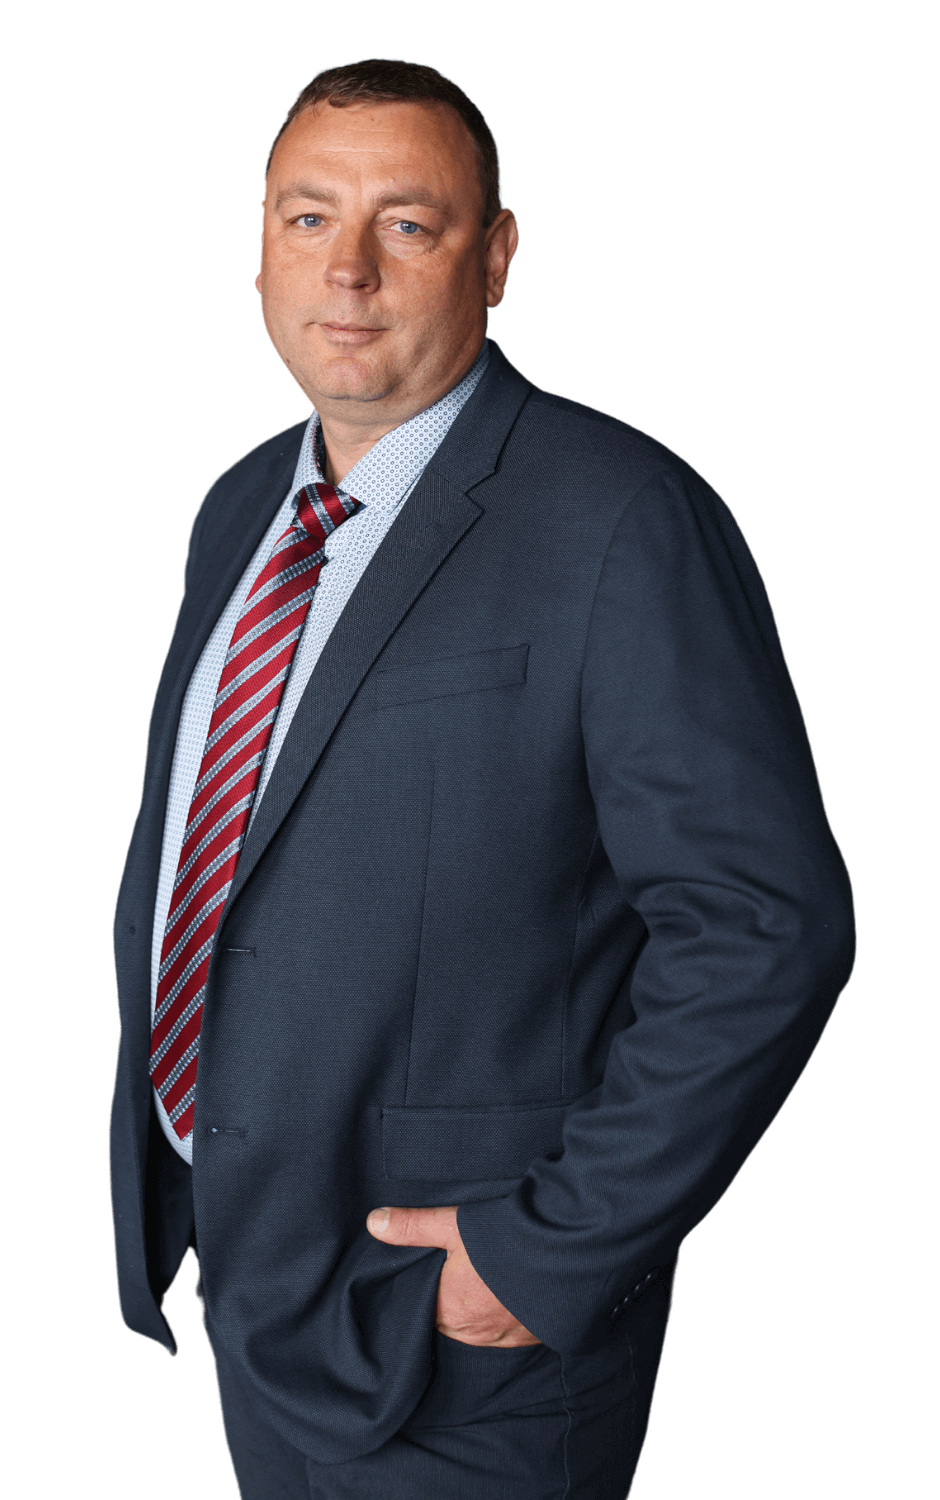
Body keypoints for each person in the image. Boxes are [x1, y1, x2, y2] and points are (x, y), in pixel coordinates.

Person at [110, 57, 855, 1500]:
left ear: (497, 257)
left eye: (411, 224)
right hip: (248, 1294)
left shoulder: (621, 517)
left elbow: (769, 925)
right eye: (310, 217)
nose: (351, 271)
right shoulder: (238, 510)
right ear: (257, 248)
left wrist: (545, 1251)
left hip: (457, 1346)